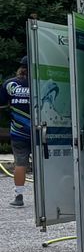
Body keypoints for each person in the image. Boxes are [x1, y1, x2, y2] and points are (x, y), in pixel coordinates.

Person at [7, 62, 29, 207]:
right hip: (40, 131)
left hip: (18, 132)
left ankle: (19, 197)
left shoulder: (10, 84)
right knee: (46, 164)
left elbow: (3, 104)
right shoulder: (40, 83)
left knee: (20, 164)